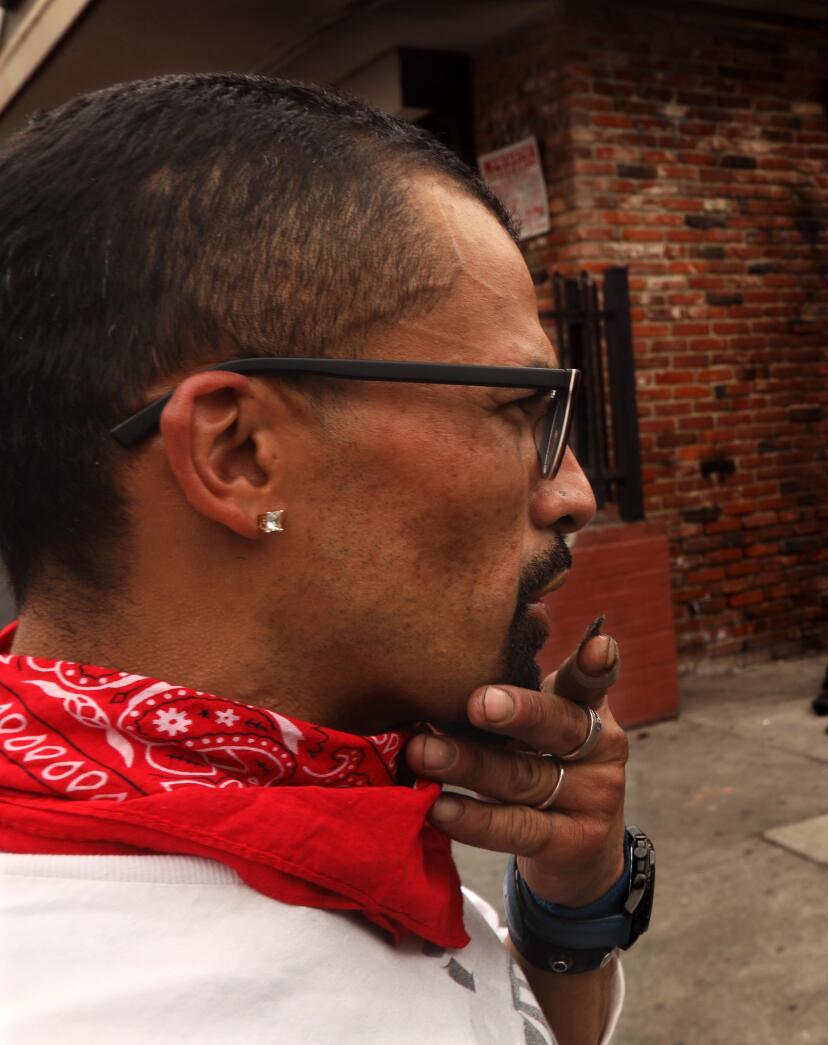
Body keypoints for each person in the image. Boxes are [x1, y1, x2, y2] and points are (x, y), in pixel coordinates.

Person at [0, 74, 653, 1043]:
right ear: (239, 455)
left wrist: (569, 906)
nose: (571, 492)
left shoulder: (308, 801)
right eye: (520, 409)